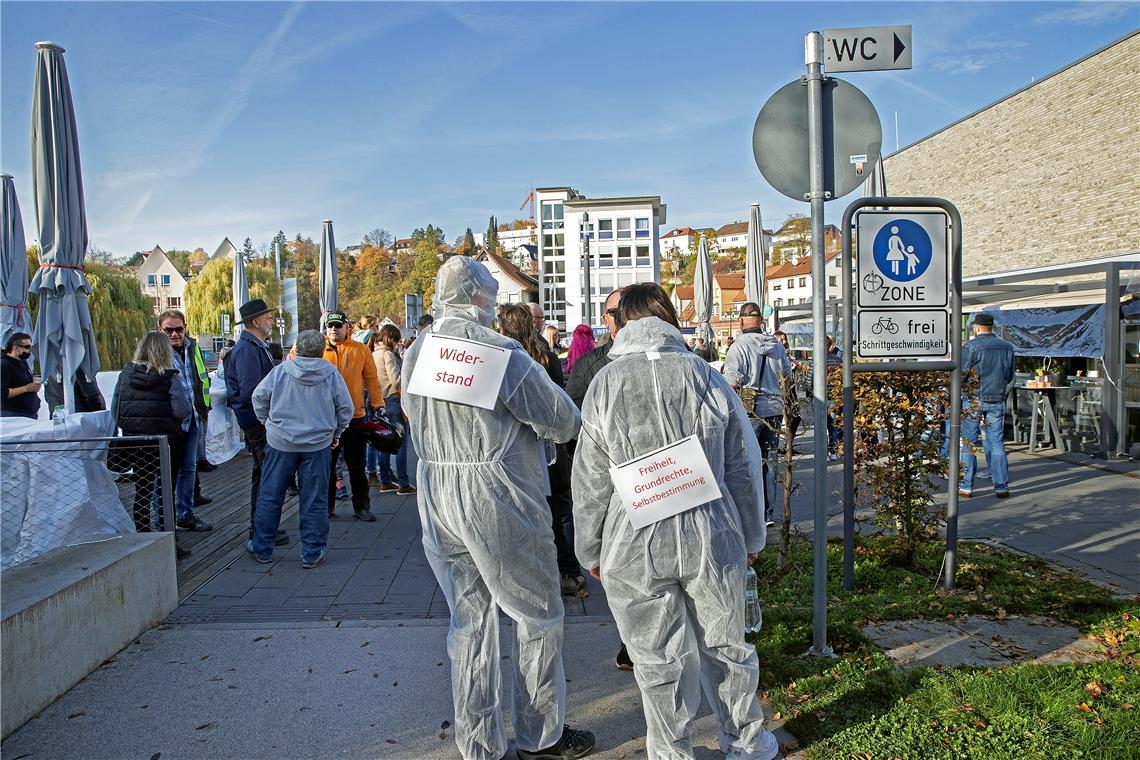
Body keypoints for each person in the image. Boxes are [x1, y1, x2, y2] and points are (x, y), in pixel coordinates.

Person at [572, 283, 778, 760]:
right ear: (667, 318)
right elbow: (742, 466)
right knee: (726, 645)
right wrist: (750, 534)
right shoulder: (706, 376)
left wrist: (590, 549)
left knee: (654, 656)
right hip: (711, 530)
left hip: (632, 538)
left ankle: (670, 751)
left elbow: (590, 479)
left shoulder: (606, 382)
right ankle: (747, 744)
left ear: (624, 321)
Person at [402, 258, 594, 760]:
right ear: (478, 297)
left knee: (469, 623)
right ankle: (541, 735)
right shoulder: (497, 352)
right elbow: (561, 417)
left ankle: (479, 745)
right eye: (489, 292)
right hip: (497, 494)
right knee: (538, 615)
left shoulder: (417, 351)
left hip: (436, 491)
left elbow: (409, 410)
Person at [563, 286, 635, 671]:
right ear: (604, 319)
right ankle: (631, 636)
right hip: (611, 486)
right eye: (611, 312)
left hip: (665, 482)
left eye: (625, 310)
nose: (618, 318)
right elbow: (573, 421)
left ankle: (639, 641)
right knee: (620, 573)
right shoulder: (591, 365)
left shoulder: (674, 360)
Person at [246, 330, 353, 568]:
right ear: (320, 350)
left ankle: (262, 548)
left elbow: (258, 397)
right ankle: (312, 552)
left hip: (280, 442)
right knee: (314, 498)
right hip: (317, 444)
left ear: (297, 349)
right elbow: (345, 408)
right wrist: (336, 433)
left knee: (270, 495)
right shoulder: (331, 374)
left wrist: (268, 424)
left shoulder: (281, 372)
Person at [498, 303, 584, 597]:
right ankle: (570, 571)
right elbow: (559, 400)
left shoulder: (503, 357)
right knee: (560, 511)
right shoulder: (545, 355)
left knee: (527, 514)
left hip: (519, 452)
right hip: (552, 447)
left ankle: (536, 576)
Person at [110, 331, 192, 559]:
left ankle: (144, 538)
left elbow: (115, 408)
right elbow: (182, 409)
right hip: (166, 441)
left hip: (136, 439)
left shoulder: (125, 375)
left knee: (142, 489)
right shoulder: (169, 376)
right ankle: (169, 540)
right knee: (166, 490)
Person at [224, 298, 288, 546]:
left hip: (258, 420)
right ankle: (262, 529)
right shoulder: (248, 349)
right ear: (255, 321)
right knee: (268, 474)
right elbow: (253, 390)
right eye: (267, 317)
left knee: (263, 473)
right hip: (258, 422)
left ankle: (263, 526)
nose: (271, 321)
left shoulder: (254, 346)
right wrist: (267, 417)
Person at [723, 302, 792, 524]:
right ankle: (768, 514)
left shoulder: (738, 347)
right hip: (774, 410)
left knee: (747, 462)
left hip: (750, 411)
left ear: (741, 321)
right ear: (761, 322)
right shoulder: (777, 346)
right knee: (770, 461)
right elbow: (788, 378)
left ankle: (750, 515)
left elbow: (731, 383)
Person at [323, 310, 384, 520]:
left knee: (356, 463)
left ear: (347, 328)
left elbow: (372, 379)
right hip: (326, 417)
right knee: (327, 464)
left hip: (354, 415)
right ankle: (327, 507)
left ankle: (361, 507)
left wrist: (378, 403)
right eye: (330, 326)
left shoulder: (359, 350)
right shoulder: (319, 349)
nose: (333, 329)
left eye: (337, 326)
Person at [157, 310, 213, 532]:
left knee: (189, 469)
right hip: (169, 423)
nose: (174, 334)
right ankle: (162, 520)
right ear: (160, 329)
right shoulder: (156, 352)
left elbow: (200, 379)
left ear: (185, 327)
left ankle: (185, 514)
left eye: (178, 329)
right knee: (163, 475)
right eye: (168, 330)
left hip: (192, 417)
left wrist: (203, 408)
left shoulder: (192, 348)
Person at [959, 313, 1015, 498]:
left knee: (969, 443)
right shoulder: (1007, 347)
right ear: (992, 327)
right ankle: (1001, 486)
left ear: (976, 327)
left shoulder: (971, 346)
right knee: (997, 443)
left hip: (974, 399)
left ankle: (966, 486)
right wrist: (1002, 393)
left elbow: (961, 374)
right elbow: (1009, 376)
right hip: (997, 400)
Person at [371, 323, 415, 494]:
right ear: (390, 338)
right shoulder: (388, 355)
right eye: (396, 340)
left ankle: (385, 481)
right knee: (401, 444)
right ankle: (404, 483)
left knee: (385, 444)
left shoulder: (374, 354)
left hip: (379, 401)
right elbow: (396, 379)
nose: (397, 343)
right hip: (394, 400)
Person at [1, 332, 41, 419]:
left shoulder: (22, 361)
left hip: (29, 412)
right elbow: (3, 393)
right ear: (16, 348)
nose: (30, 350)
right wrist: (26, 388)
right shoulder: (4, 365)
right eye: (27, 347)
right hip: (14, 415)